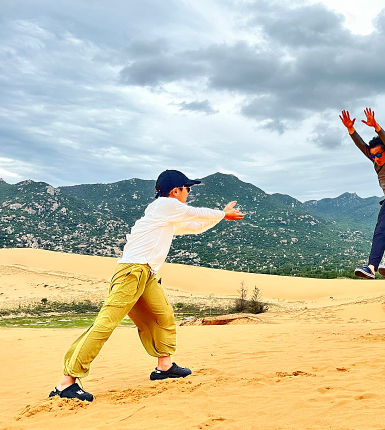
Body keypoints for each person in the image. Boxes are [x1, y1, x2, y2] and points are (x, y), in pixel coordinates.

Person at [48, 169, 245, 402]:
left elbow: (196, 225)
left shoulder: (166, 215)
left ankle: (164, 367)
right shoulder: (165, 206)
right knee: (105, 324)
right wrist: (222, 214)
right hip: (132, 272)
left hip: (146, 274)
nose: (188, 193)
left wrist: (220, 217)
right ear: (175, 191)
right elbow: (196, 213)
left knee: (163, 316)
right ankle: (66, 383)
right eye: (187, 189)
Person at [339, 108, 385, 280]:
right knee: (380, 233)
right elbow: (361, 146)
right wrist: (351, 129)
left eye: (379, 154)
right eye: (373, 156)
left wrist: (377, 127)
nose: (375, 158)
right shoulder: (375, 160)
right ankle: (371, 268)